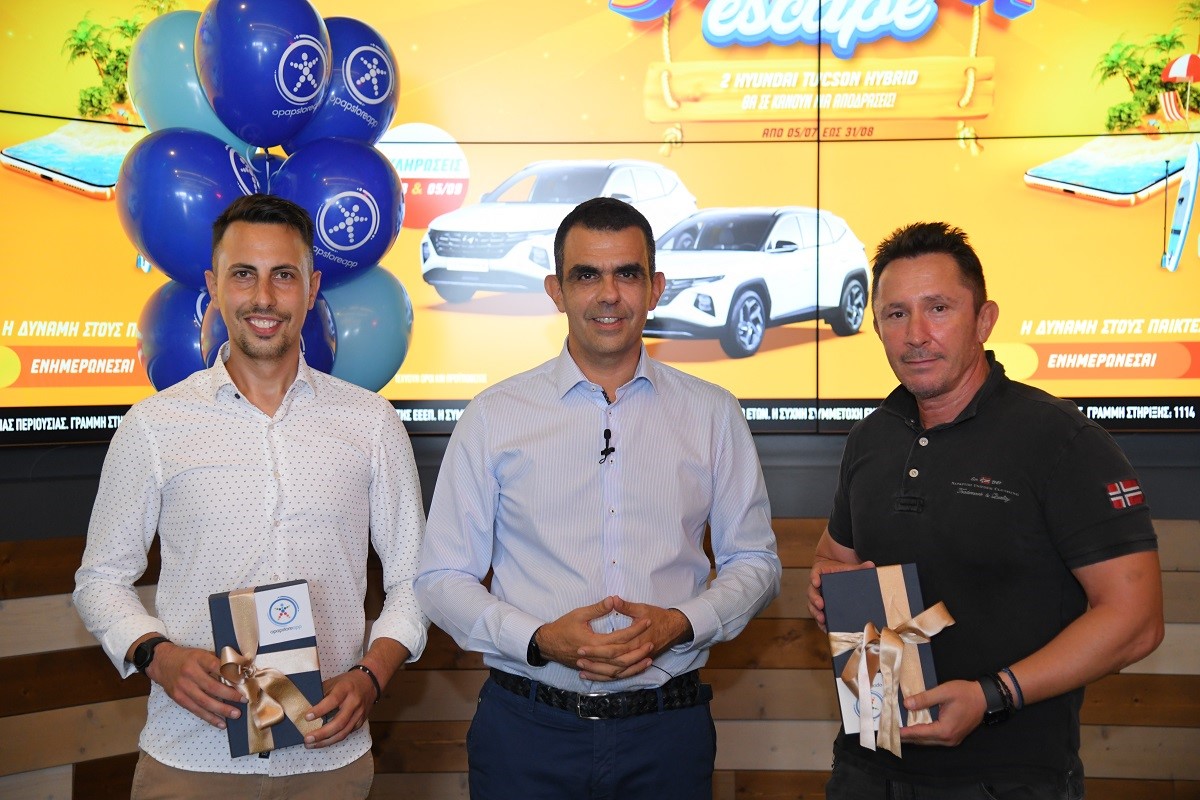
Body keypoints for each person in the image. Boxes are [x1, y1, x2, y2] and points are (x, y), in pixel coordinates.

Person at [414, 196, 781, 799]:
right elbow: (441, 577)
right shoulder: (494, 416)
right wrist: (538, 639)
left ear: (655, 288)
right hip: (528, 730)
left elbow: (756, 562)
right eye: (586, 275)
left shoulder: (713, 414)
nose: (608, 294)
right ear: (556, 291)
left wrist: (680, 624)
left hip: (666, 731)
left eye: (627, 274)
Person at [74, 194, 428, 799]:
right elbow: (100, 579)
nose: (263, 297)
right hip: (191, 757)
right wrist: (156, 655)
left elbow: (414, 581)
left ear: (312, 289)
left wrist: (373, 675)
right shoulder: (153, 425)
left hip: (329, 759)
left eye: (283, 275)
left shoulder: (371, 424)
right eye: (243, 274)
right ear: (214, 286)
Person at [807, 221, 1164, 798]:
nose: (916, 335)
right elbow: (834, 557)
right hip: (868, 764)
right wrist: (827, 585)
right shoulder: (870, 438)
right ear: (876, 327)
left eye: (938, 308)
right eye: (896, 314)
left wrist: (992, 695)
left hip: (1008, 778)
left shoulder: (1061, 440)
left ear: (984, 319)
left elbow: (1136, 621)